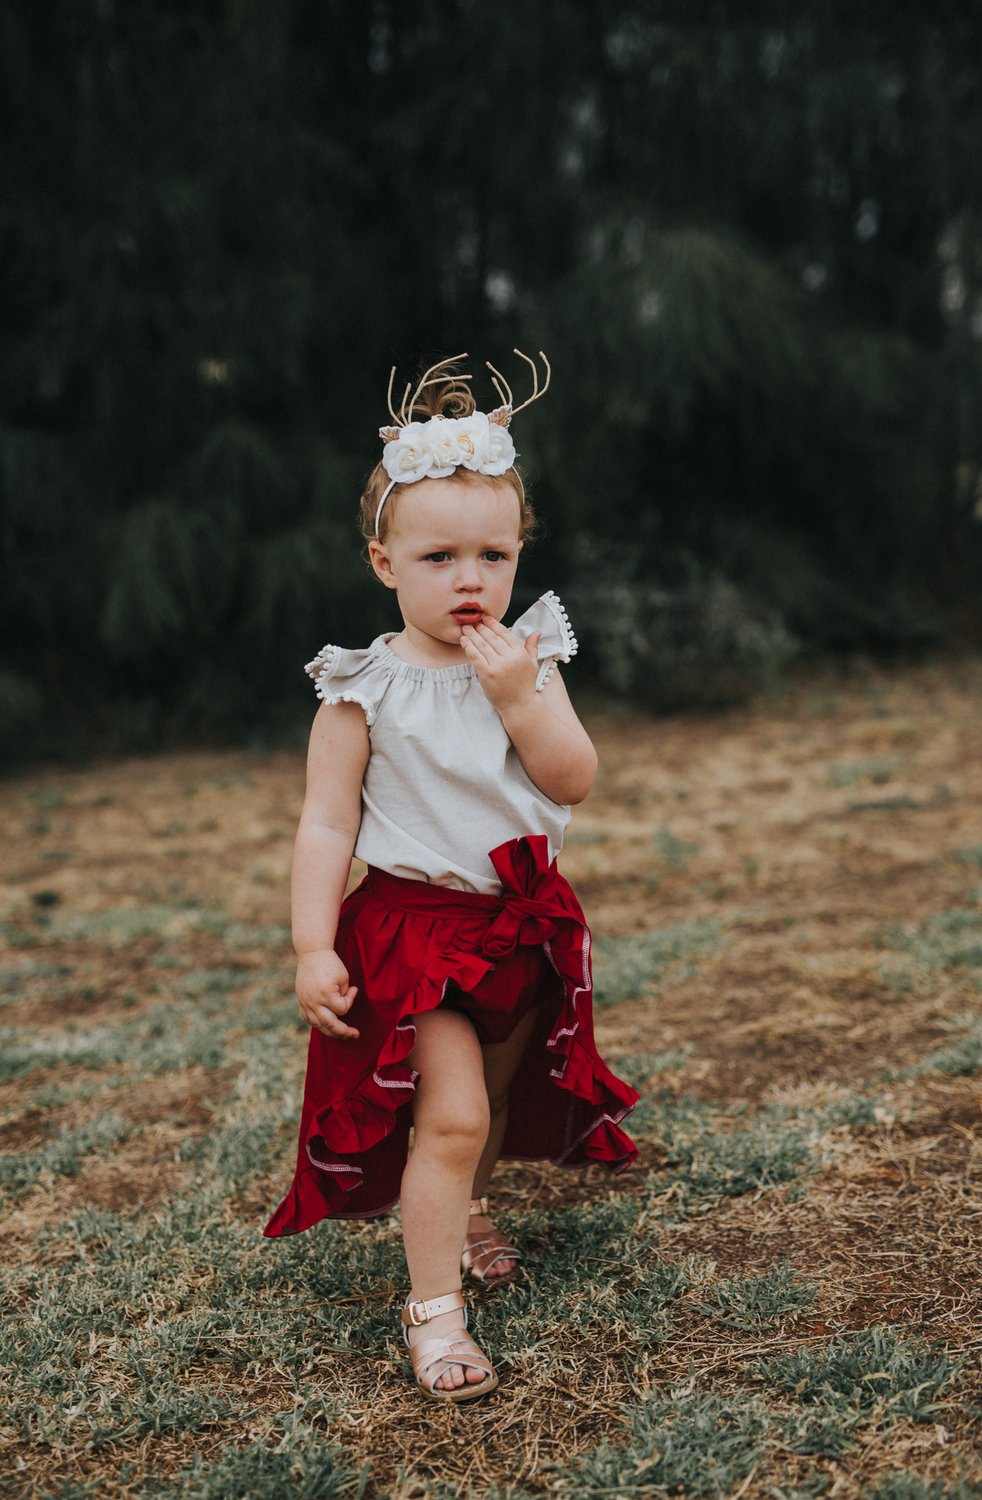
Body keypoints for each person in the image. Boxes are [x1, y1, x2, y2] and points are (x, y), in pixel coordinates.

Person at [264, 351, 638, 1401]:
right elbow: (325, 822)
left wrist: (523, 698)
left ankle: (464, 1209)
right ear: (384, 562)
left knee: (498, 1095)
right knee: (455, 1112)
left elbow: (574, 779)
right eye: (438, 557)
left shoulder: (530, 658)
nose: (469, 578)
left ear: (518, 556)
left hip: (521, 922)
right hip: (412, 935)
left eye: (492, 553)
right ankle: (434, 1311)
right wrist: (309, 945)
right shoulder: (360, 687)